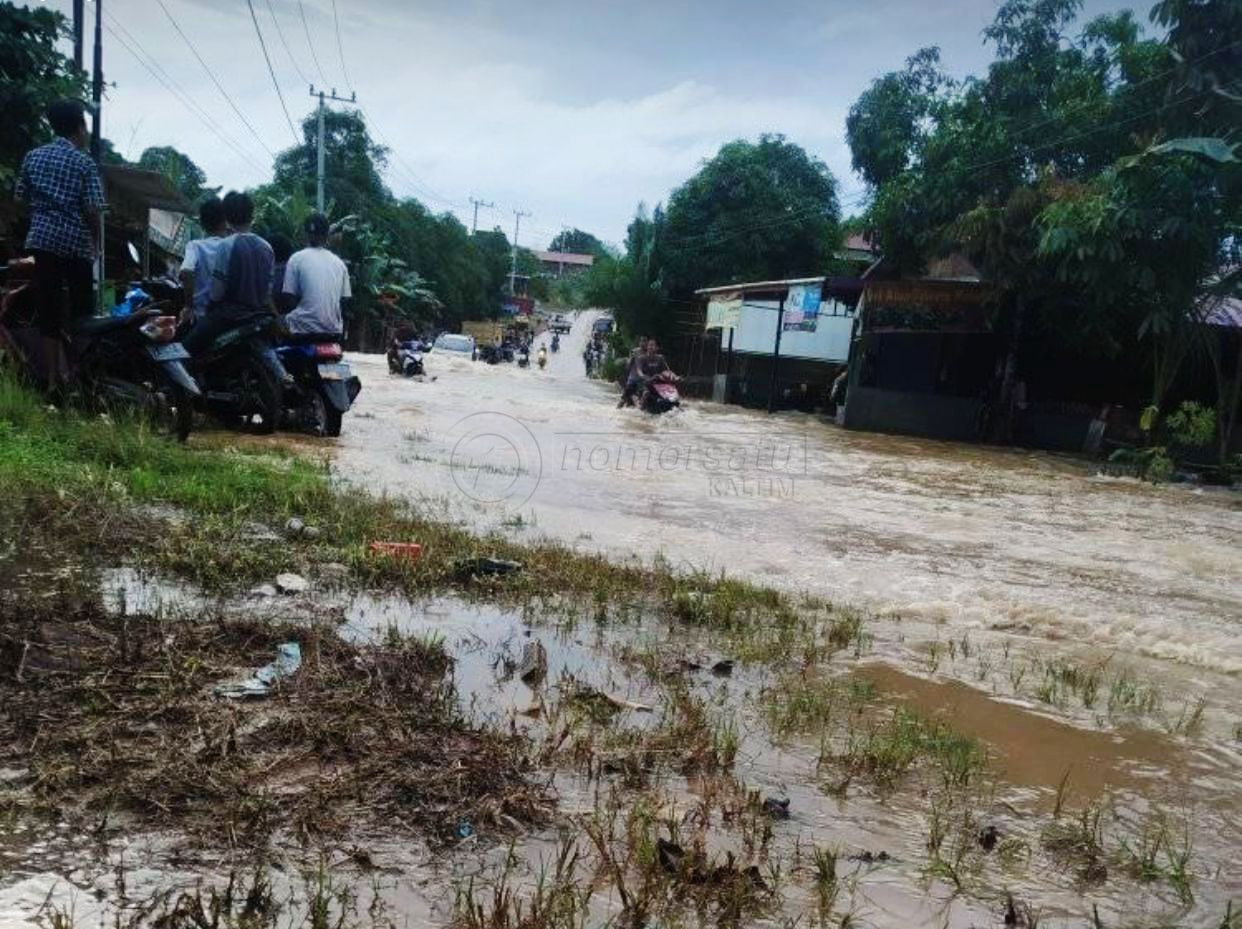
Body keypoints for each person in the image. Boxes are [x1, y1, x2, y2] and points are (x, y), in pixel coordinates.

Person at [14, 99, 105, 384]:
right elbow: (92, 209)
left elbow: (19, 200)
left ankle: (54, 378)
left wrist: (39, 218)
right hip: (75, 243)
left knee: (49, 310)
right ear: (79, 127)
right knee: (82, 312)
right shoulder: (84, 162)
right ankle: (82, 375)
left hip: (42, 240)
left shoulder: (33, 156)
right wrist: (96, 242)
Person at [182, 191, 274, 356]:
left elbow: (217, 293)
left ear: (228, 216)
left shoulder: (227, 245)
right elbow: (268, 289)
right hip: (259, 314)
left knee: (185, 352)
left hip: (229, 316)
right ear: (252, 215)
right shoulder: (266, 246)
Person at [281, 212, 351, 337]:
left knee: (272, 324)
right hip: (333, 331)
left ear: (305, 233)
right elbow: (345, 301)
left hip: (301, 329)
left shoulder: (296, 259)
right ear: (327, 235)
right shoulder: (340, 264)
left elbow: (288, 297)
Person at [178, 197, 228, 327]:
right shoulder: (233, 246)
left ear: (202, 223)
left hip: (202, 317)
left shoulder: (195, 246)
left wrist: (188, 306)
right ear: (225, 221)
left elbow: (186, 271)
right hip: (229, 317)